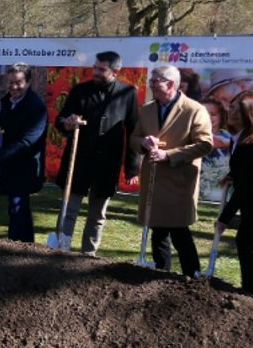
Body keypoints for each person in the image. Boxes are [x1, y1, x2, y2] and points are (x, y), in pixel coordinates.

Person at [130, 64, 213, 277]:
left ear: (171, 84)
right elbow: (134, 138)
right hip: (154, 182)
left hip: (178, 183)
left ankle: (193, 276)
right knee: (157, 231)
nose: (151, 85)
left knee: (179, 232)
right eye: (151, 81)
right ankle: (161, 275)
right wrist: (144, 143)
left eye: (155, 81)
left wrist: (169, 155)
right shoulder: (148, 109)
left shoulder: (195, 110)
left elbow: (205, 144)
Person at [55, 51, 140, 255]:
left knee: (97, 215)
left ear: (115, 71)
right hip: (79, 161)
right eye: (95, 67)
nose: (95, 72)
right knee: (69, 209)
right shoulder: (80, 91)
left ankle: (88, 254)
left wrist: (132, 167)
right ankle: (60, 250)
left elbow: (133, 130)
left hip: (107, 163)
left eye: (101, 69)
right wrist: (67, 123)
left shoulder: (127, 93)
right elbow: (61, 120)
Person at [0, 62, 47, 243]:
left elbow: (26, 142)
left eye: (18, 83)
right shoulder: (8, 100)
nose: (13, 87)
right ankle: (24, 247)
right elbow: (3, 117)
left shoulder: (36, 107)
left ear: (28, 82)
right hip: (12, 164)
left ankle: (17, 249)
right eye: (10, 82)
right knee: (16, 209)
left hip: (26, 166)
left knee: (18, 207)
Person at [216, 92, 253, 293]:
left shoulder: (250, 143)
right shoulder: (237, 138)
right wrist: (232, 174)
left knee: (245, 241)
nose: (233, 113)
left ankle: (249, 291)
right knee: (245, 241)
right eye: (231, 108)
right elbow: (243, 170)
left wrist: (225, 218)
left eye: (240, 110)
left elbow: (246, 186)